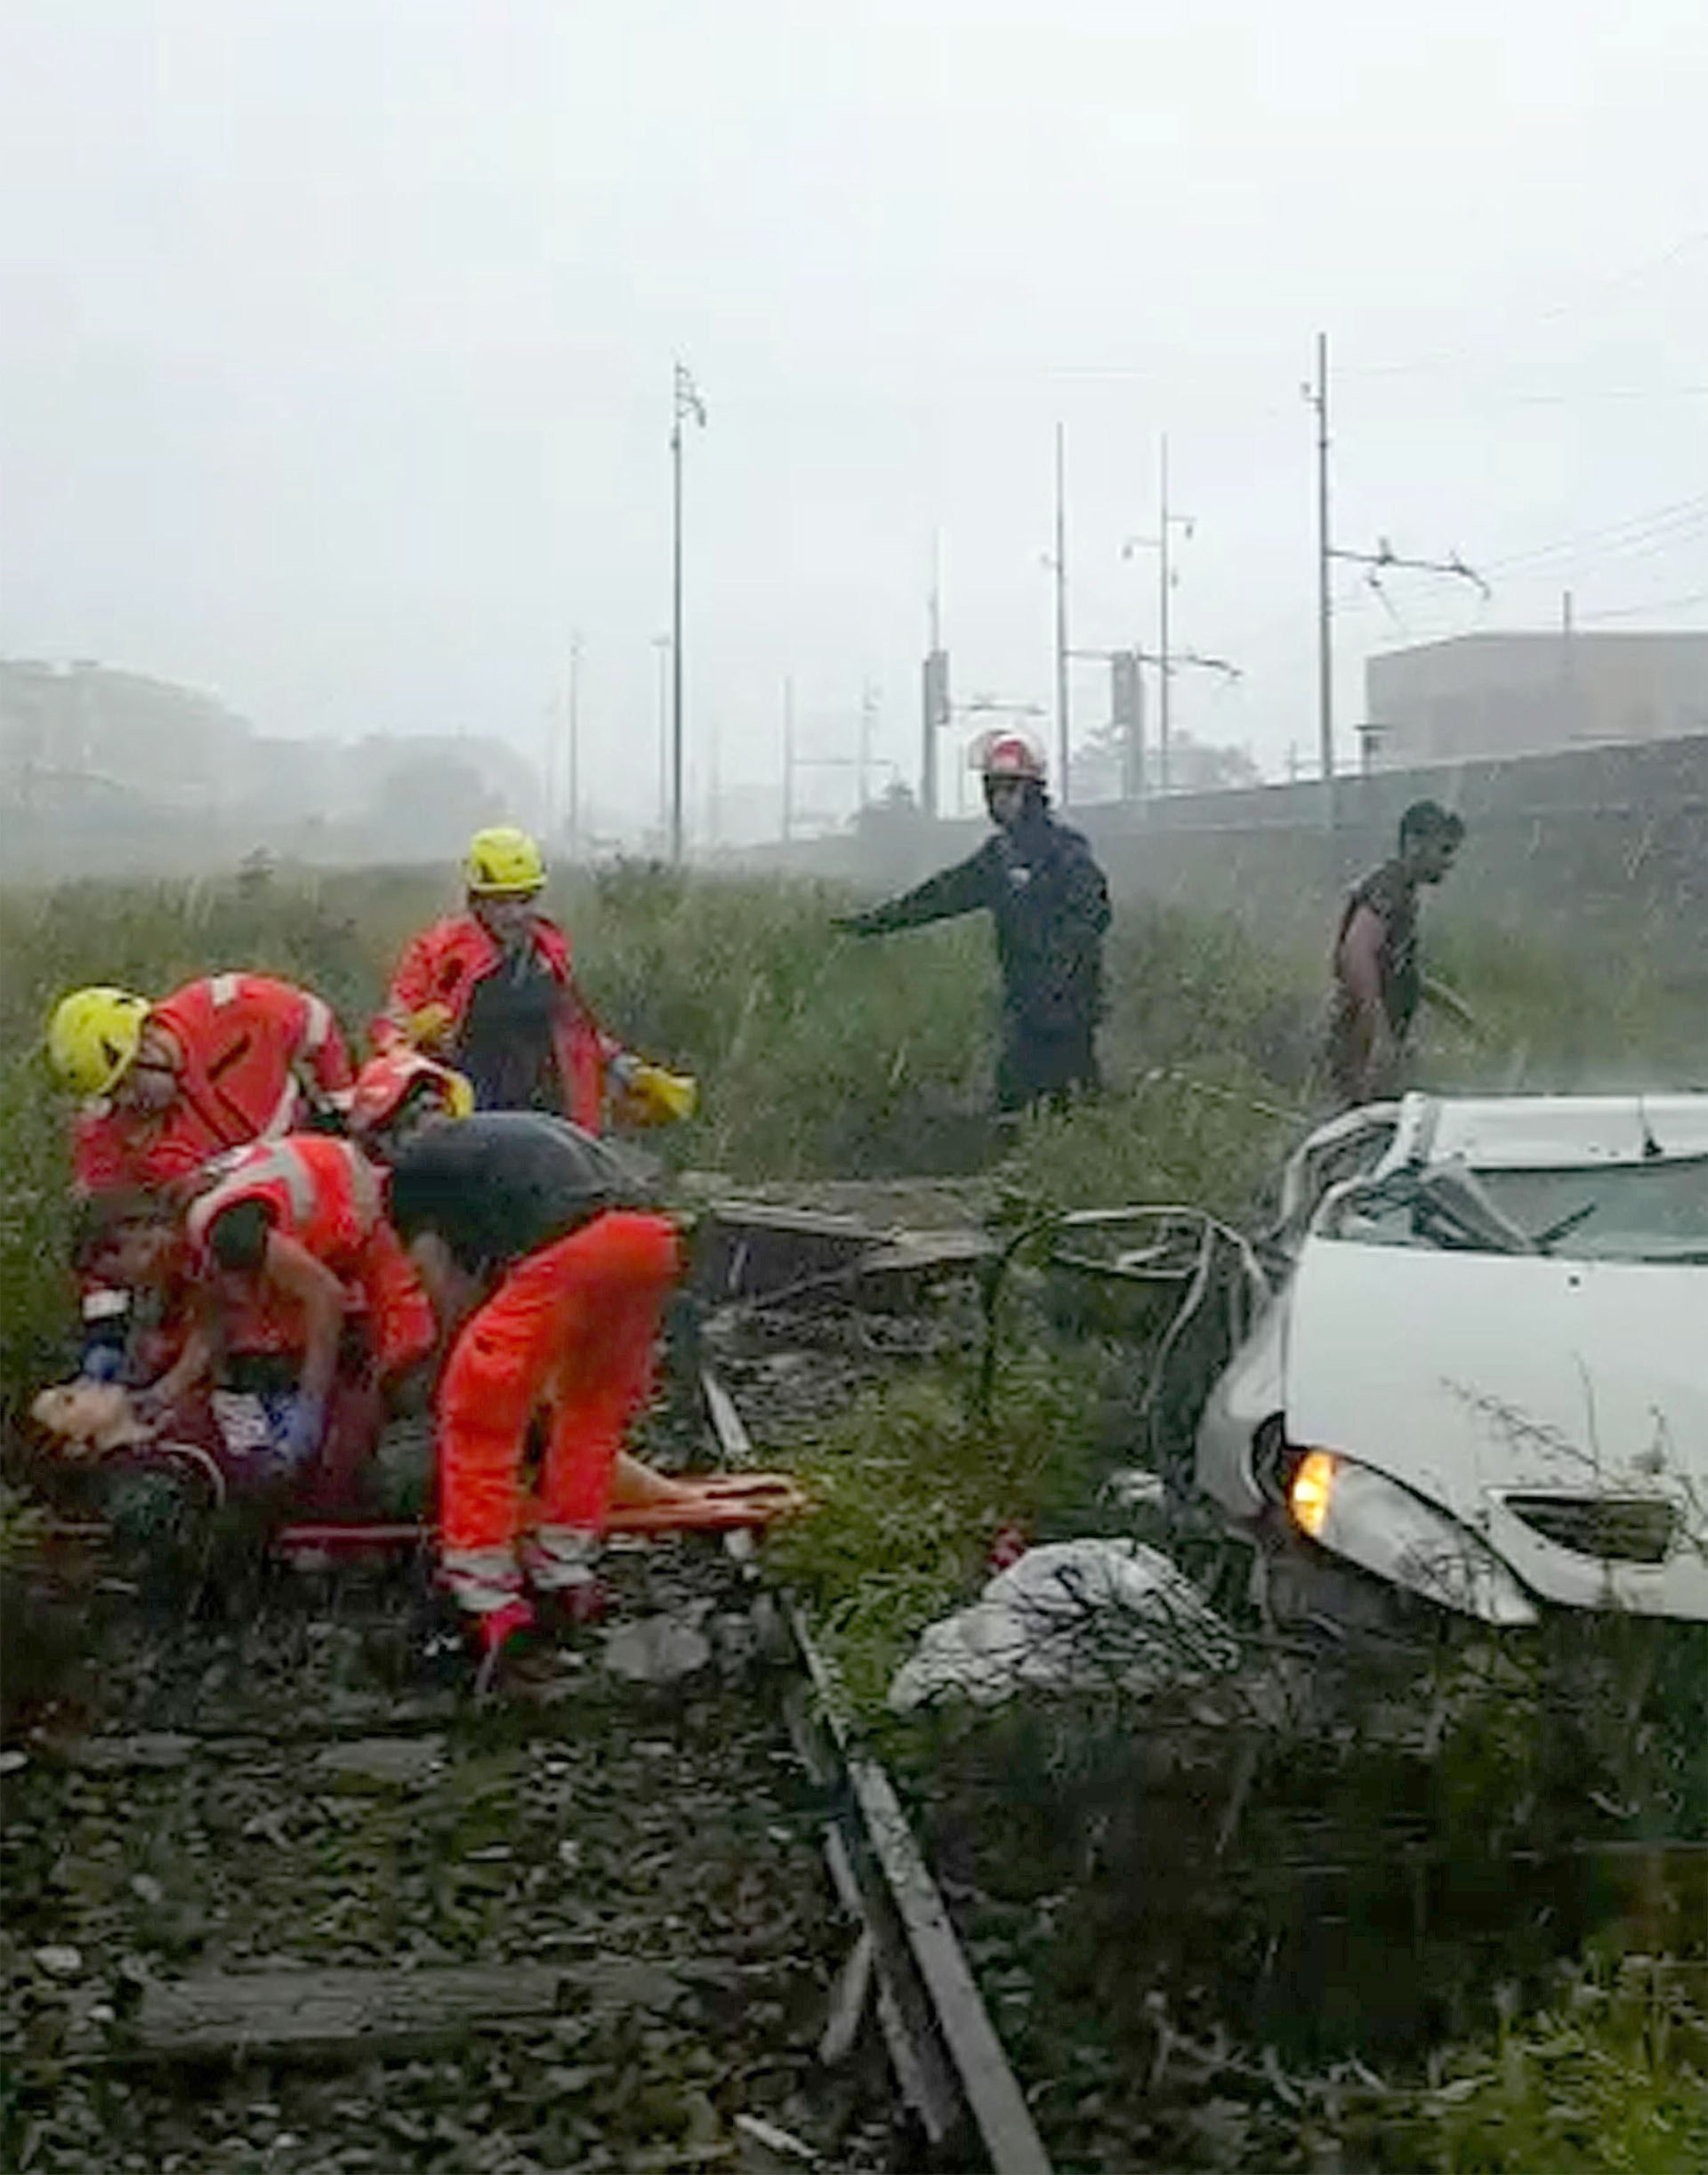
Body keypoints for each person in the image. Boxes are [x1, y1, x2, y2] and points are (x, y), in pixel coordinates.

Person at [383, 1110, 682, 1671]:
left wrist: (450, 1366)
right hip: (652, 1238)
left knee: (479, 1412)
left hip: (572, 1243)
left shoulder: (409, 1185)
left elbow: (443, 1289)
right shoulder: (494, 1148)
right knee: (589, 1407)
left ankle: (482, 1599)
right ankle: (564, 1569)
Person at [47, 974, 356, 1381]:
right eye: (112, 1095)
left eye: (126, 1084)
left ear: (149, 1040)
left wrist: (342, 1111)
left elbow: (318, 1026)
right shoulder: (106, 1134)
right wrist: (105, 1333)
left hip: (316, 1181)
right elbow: (104, 1237)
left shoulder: (230, 1007)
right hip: (234, 1243)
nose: (126, 1103)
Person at [122, 1134, 439, 1483]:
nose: (140, 1283)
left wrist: (311, 1401)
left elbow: (325, 1296)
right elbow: (209, 1333)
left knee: (407, 1357)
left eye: (126, 1270)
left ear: (143, 1234)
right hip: (325, 1209)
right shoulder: (197, 1237)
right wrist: (158, 1396)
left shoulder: (226, 1233)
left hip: (368, 1207)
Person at [834, 730, 1112, 1111]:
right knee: (1017, 1105)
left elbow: (1094, 913)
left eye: (1010, 789)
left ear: (1033, 792)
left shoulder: (1066, 849)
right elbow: (939, 896)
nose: (1001, 799)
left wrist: (1061, 974)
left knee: (1071, 1105)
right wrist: (872, 924)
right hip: (1024, 1009)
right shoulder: (997, 856)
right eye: (994, 789)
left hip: (1066, 1014)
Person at [374, 826, 694, 1131]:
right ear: (476, 900)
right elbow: (390, 1032)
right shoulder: (437, 952)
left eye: (524, 900)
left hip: (546, 1118)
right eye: (501, 902)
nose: (514, 914)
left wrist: (629, 1071)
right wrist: (414, 1040)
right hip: (466, 1121)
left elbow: (577, 1032)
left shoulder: (548, 955)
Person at [1325, 799, 1477, 1108]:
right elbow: (1355, 952)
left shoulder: (1402, 891)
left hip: (1374, 1039)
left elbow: (1396, 968)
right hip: (1360, 1044)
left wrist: (1450, 1006)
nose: (1450, 863)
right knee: (1362, 1123)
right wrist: (1376, 1028)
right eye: (1444, 851)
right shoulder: (1390, 888)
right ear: (1414, 844)